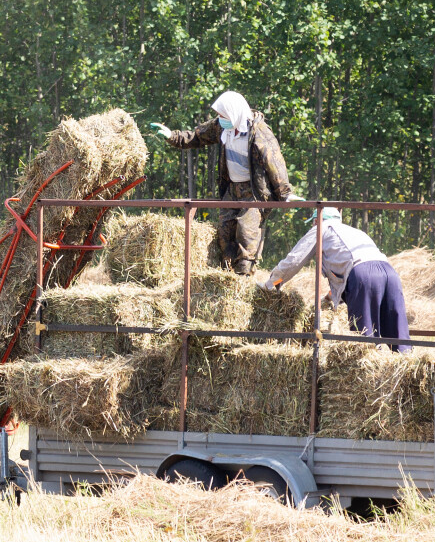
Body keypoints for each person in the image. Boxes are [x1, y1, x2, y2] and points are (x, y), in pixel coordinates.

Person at [150, 90, 291, 276]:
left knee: (246, 233)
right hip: (232, 188)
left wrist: (284, 194)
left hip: (254, 191)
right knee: (225, 234)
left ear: (234, 113)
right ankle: (225, 276)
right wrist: (172, 136)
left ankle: (242, 278)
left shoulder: (259, 133)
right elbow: (197, 136)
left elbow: (275, 164)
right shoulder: (222, 127)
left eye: (223, 115)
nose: (219, 118)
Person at [266, 206, 412, 351]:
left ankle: (365, 370)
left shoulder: (321, 229)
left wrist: (272, 283)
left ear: (317, 220)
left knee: (364, 341)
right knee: (397, 331)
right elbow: (347, 273)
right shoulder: (355, 232)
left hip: (363, 275)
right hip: (390, 273)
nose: (313, 225)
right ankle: (408, 366)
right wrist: (330, 297)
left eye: (313, 222)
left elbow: (294, 261)